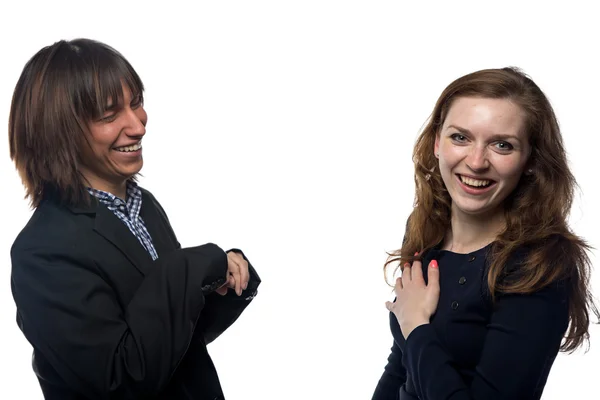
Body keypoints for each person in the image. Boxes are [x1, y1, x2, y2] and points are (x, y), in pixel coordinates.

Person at [8, 38, 260, 400]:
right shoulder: (42, 252)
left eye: (136, 103)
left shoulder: (143, 206)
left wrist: (223, 281)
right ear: (60, 132)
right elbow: (121, 378)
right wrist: (192, 264)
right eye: (109, 115)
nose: (138, 125)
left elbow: (166, 342)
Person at [372, 67, 598, 400]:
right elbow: (400, 366)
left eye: (502, 145)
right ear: (437, 143)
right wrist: (411, 330)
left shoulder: (539, 264)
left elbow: (413, 337)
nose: (477, 162)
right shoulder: (425, 229)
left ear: (531, 160)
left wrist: (417, 325)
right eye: (460, 137)